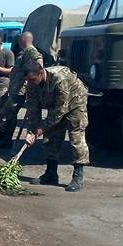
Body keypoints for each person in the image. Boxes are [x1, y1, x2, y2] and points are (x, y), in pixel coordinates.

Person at [21, 60, 90, 192]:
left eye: (33, 79)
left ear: (41, 73)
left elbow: (60, 110)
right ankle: (51, 174)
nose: (31, 83)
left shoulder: (59, 78)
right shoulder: (31, 83)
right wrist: (31, 131)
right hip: (55, 104)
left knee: (76, 137)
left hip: (75, 103)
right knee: (50, 138)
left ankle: (78, 176)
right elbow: (33, 108)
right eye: (28, 80)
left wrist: (40, 129)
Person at [0, 31, 43, 147]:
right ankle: (4, 140)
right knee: (9, 115)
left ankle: (3, 139)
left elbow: (39, 62)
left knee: (5, 114)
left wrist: (34, 81)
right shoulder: (24, 52)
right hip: (14, 89)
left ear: (22, 40)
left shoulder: (31, 51)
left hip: (19, 91)